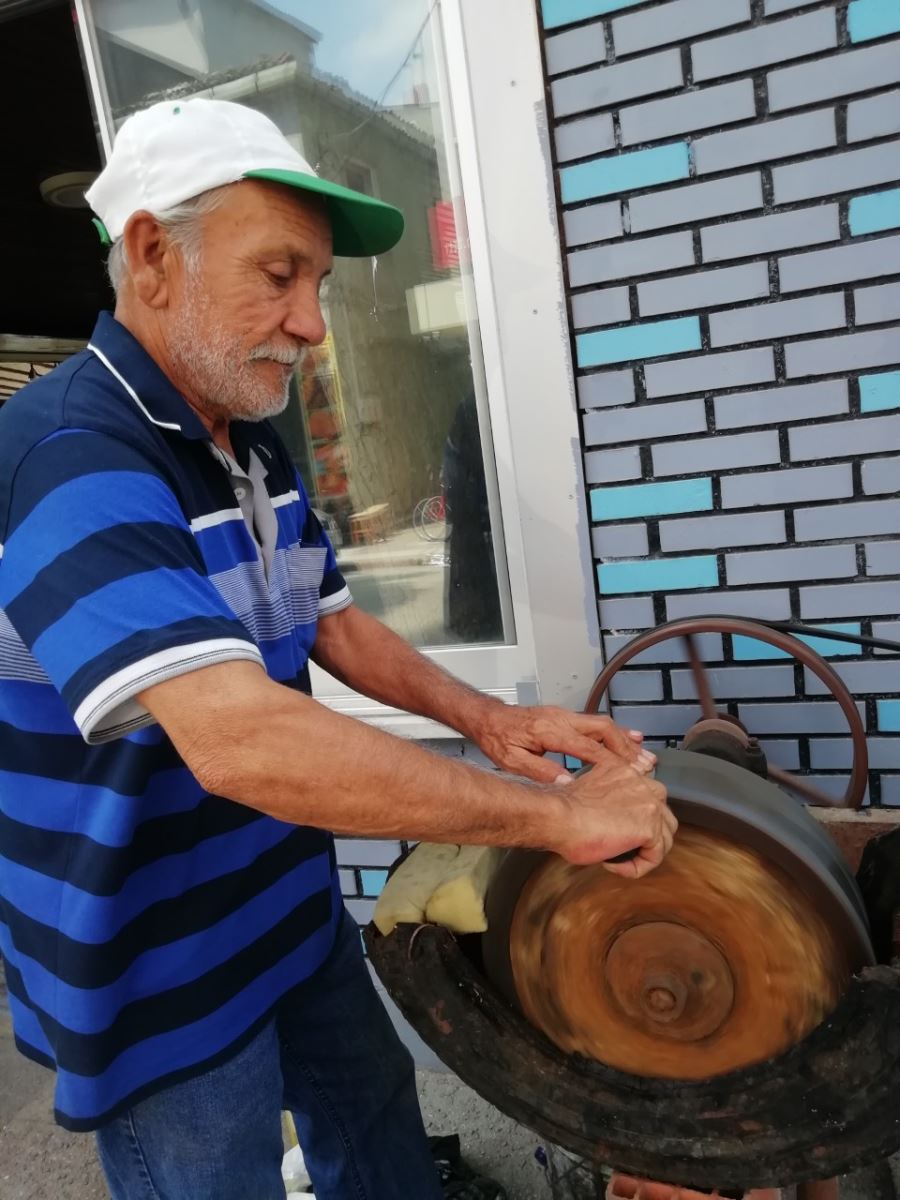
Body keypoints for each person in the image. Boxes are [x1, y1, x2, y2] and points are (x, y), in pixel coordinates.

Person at [0, 98, 674, 1200]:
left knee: (373, 1122)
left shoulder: (251, 441)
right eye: (280, 275)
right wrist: (559, 817)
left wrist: (493, 722)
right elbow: (241, 742)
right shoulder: (71, 453)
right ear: (154, 255)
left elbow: (333, 624)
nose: (314, 323)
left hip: (283, 902)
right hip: (151, 956)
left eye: (318, 282)